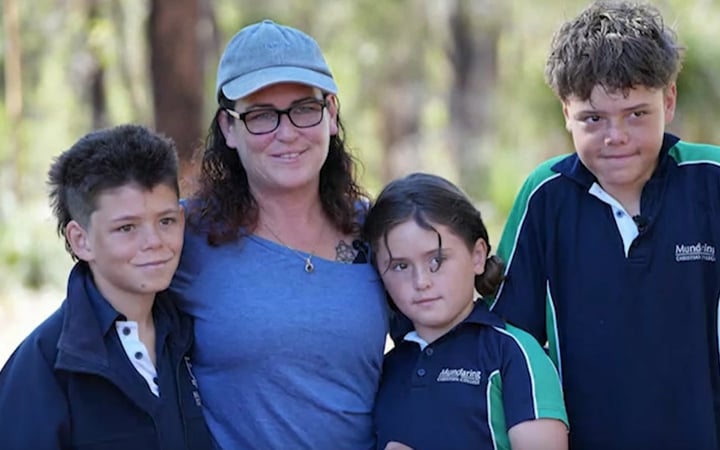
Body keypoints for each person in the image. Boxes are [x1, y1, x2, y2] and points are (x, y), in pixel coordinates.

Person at [489, 1, 720, 449]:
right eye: (593, 119)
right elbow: (509, 348)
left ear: (668, 100)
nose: (616, 136)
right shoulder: (544, 197)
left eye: (636, 113)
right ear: (565, 113)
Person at [170, 19, 389, 449]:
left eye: (304, 109)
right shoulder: (184, 236)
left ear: (331, 113)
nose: (287, 133)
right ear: (229, 129)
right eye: (261, 116)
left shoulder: (378, 230)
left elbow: (437, 352)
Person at [0, 124, 214, 449]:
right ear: (81, 240)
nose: (154, 242)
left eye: (166, 221)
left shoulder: (192, 333)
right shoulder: (43, 366)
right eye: (127, 227)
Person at [363, 173, 568, 450]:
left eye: (437, 260)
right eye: (400, 266)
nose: (421, 281)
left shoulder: (513, 353)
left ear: (478, 256)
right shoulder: (382, 367)